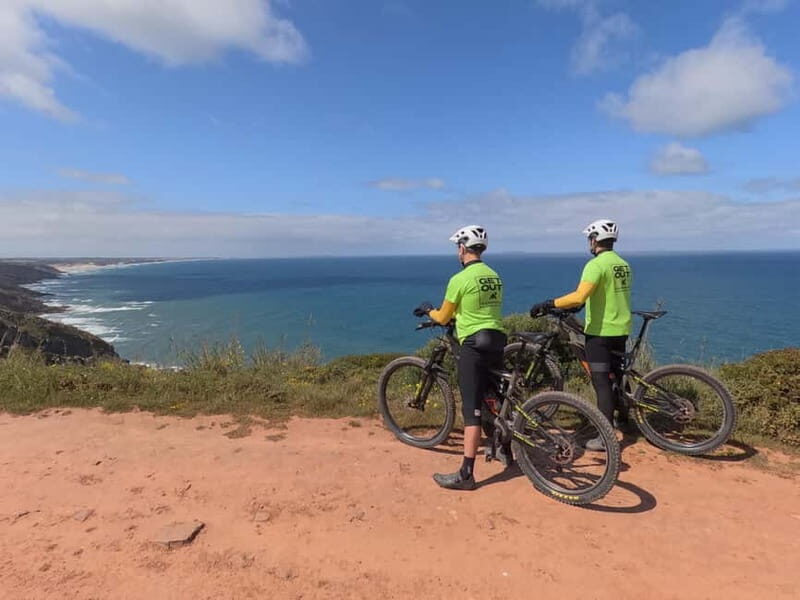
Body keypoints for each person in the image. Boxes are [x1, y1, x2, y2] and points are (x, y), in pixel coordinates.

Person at [413, 225, 507, 490]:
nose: (458, 251)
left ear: (464, 248)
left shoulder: (460, 279)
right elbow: (482, 309)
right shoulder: (494, 275)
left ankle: (466, 474)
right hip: (497, 339)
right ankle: (505, 451)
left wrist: (429, 310)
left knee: (472, 409)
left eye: (458, 247)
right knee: (495, 398)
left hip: (474, 345)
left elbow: (443, 317)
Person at [529, 219, 632, 451]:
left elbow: (579, 296)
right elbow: (605, 294)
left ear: (595, 239)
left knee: (602, 382)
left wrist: (548, 303)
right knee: (617, 376)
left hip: (601, 331)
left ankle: (605, 437)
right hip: (621, 328)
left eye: (590, 239)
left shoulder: (596, 265)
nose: (589, 243)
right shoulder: (622, 264)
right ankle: (625, 421)